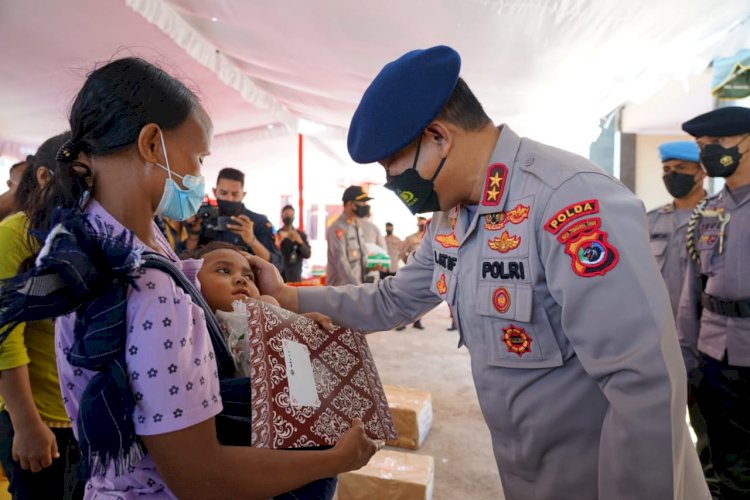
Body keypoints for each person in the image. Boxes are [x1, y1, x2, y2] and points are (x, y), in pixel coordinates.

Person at [249, 46, 708, 499]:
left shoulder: (567, 202)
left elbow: (643, 383)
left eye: (392, 167)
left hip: (604, 480)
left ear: (438, 138)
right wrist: (290, 297)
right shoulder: (454, 217)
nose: (392, 185)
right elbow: (392, 300)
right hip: (524, 472)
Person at [0, 57, 377, 499]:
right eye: (198, 158)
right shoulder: (152, 291)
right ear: (152, 144)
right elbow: (201, 477)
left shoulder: (85, 235)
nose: (200, 179)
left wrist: (274, 320)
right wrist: (337, 458)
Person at [0, 132, 84, 500]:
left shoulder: (84, 233)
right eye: (80, 177)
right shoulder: (14, 234)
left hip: (79, 412)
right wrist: (26, 423)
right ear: (45, 178)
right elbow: (5, 335)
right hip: (36, 414)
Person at [678, 106, 750, 500]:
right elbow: (692, 295)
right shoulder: (708, 212)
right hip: (714, 357)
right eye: (702, 147)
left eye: (717, 145)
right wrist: (685, 358)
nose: (708, 154)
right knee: (724, 464)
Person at [647, 140, 717, 496]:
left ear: (701, 172)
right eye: (666, 170)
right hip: (657, 344)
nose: (670, 176)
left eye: (680, 170)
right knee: (660, 432)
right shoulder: (650, 221)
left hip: (705, 346)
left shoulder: (716, 219)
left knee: (708, 436)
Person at [186, 167, 283, 273]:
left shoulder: (259, 222)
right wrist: (193, 235)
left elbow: (276, 264)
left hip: (248, 284)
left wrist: (252, 241)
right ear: (215, 192)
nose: (229, 199)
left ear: (243, 194)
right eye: (223, 193)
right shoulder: (205, 219)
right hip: (209, 284)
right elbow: (187, 259)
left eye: (235, 194)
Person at [325, 186, 370, 286]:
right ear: (350, 204)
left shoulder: (357, 226)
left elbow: (359, 260)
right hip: (340, 292)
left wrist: (370, 267)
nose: (364, 205)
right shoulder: (337, 229)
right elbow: (341, 263)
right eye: (361, 202)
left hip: (354, 289)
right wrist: (359, 287)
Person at [396, 217, 428, 330]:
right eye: (420, 224)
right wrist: (409, 263)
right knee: (406, 298)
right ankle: (402, 323)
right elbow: (402, 253)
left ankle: (417, 321)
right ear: (417, 224)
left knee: (421, 299)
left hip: (425, 274)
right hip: (412, 272)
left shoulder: (430, 237)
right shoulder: (410, 238)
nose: (422, 226)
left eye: (424, 224)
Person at [275, 205, 311, 283]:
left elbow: (307, 254)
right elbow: (271, 254)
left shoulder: (301, 235)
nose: (289, 217)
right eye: (286, 215)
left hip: (295, 276)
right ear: (282, 216)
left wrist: (299, 241)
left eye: (291, 215)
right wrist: (278, 241)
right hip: (279, 275)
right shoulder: (276, 235)